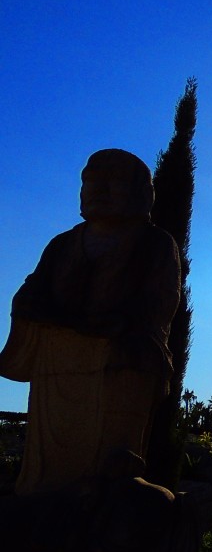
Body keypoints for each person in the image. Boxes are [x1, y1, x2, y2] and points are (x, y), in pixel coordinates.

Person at [0, 149, 180, 495]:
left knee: (109, 463)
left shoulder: (155, 243)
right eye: (90, 181)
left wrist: (114, 325)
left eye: (112, 181)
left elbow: (160, 303)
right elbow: (30, 294)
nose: (97, 189)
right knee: (47, 477)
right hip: (57, 363)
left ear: (139, 192)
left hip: (120, 360)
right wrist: (42, 312)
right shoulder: (63, 245)